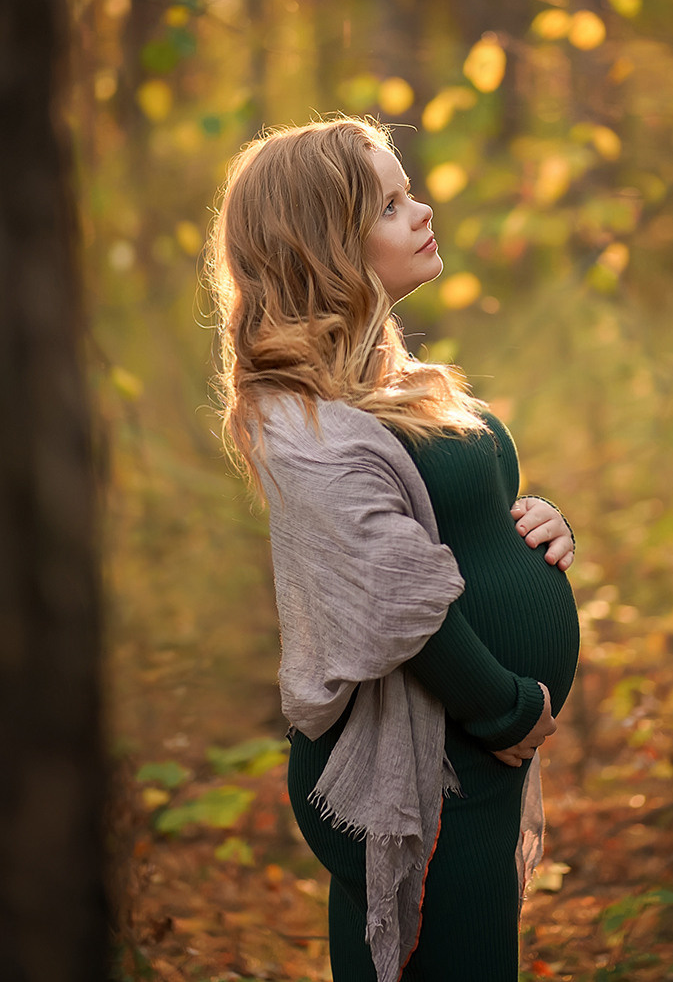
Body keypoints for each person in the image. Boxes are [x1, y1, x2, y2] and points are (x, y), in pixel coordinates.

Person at [207, 117, 580, 982]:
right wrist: (503, 709)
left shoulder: (389, 383)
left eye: (409, 192)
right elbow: (389, 592)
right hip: (428, 757)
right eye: (388, 204)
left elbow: (467, 515)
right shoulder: (302, 419)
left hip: (465, 751)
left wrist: (541, 524)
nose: (422, 211)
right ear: (323, 246)